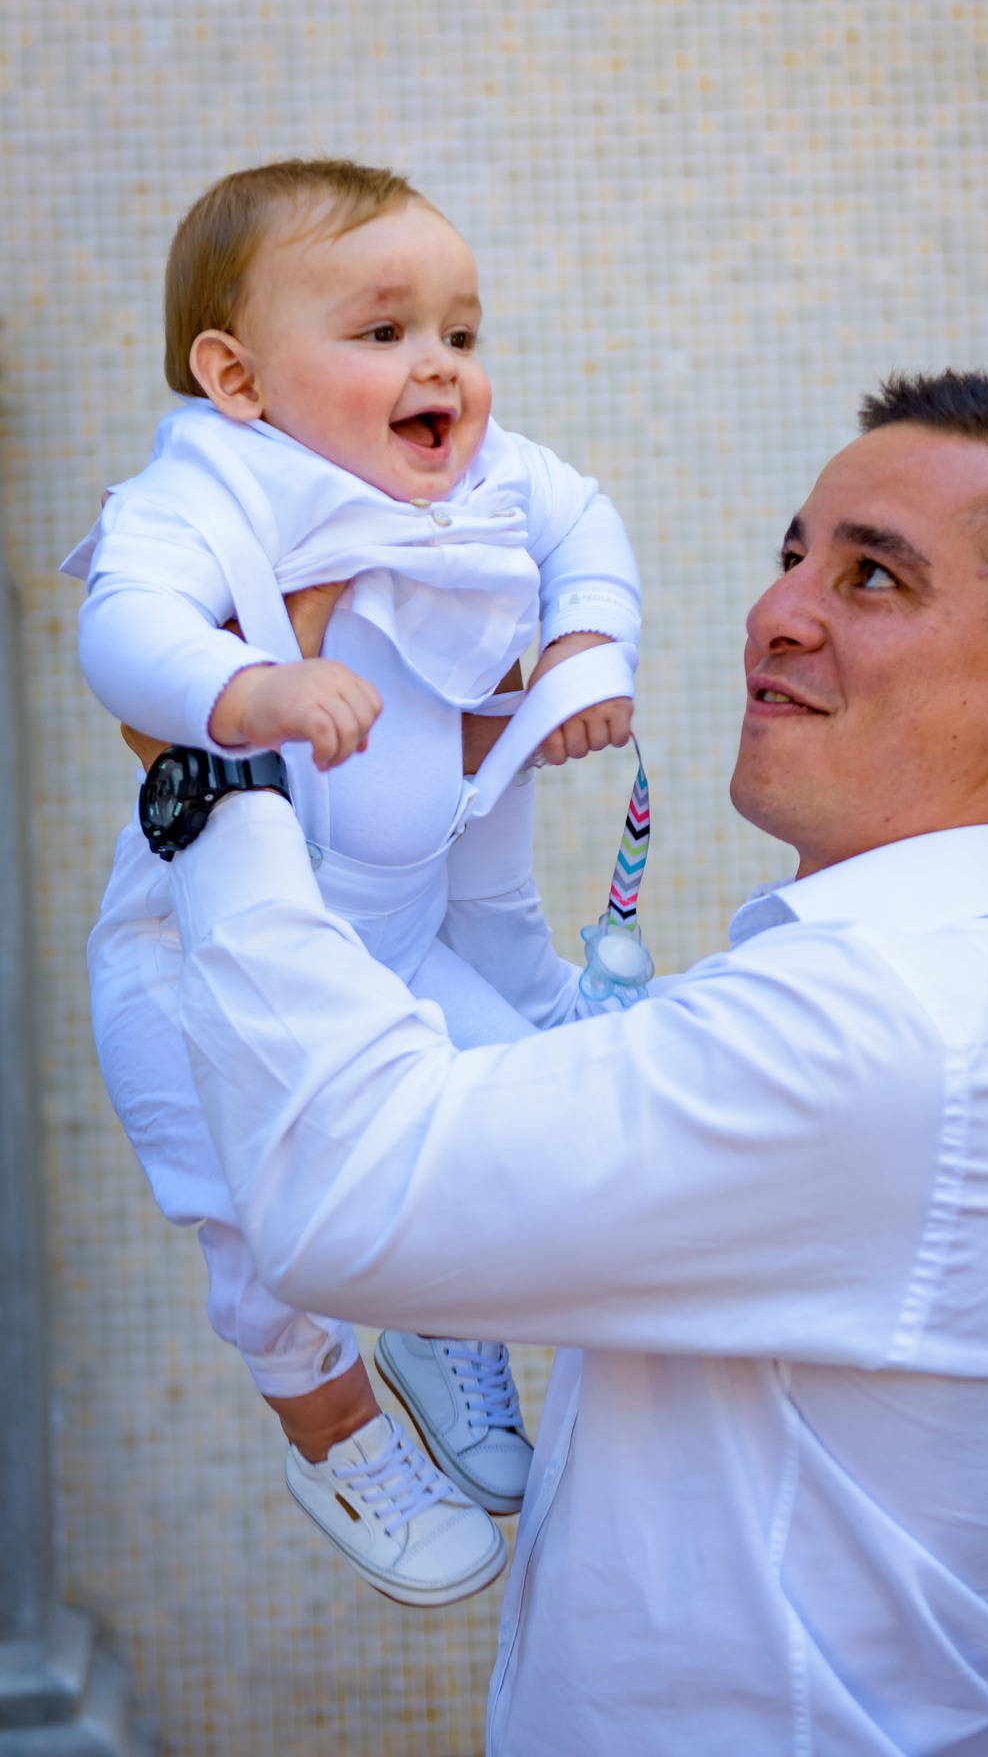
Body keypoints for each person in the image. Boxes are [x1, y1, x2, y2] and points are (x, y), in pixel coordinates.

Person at [149, 372, 988, 1755]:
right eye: (792, 553)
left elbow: (352, 1196)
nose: (780, 612)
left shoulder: (886, 1027)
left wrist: (214, 777)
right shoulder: (898, 993)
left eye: (872, 576)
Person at [61, 158, 646, 1608]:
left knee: (516, 1123)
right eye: (381, 334)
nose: (438, 364)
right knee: (247, 1214)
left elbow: (589, 534)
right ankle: (327, 1421)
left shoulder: (489, 475)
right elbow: (120, 625)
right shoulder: (213, 479)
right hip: (200, 955)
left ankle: (445, 1319)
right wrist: (243, 684)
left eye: (459, 329)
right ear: (237, 376)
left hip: (395, 934)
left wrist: (586, 655)